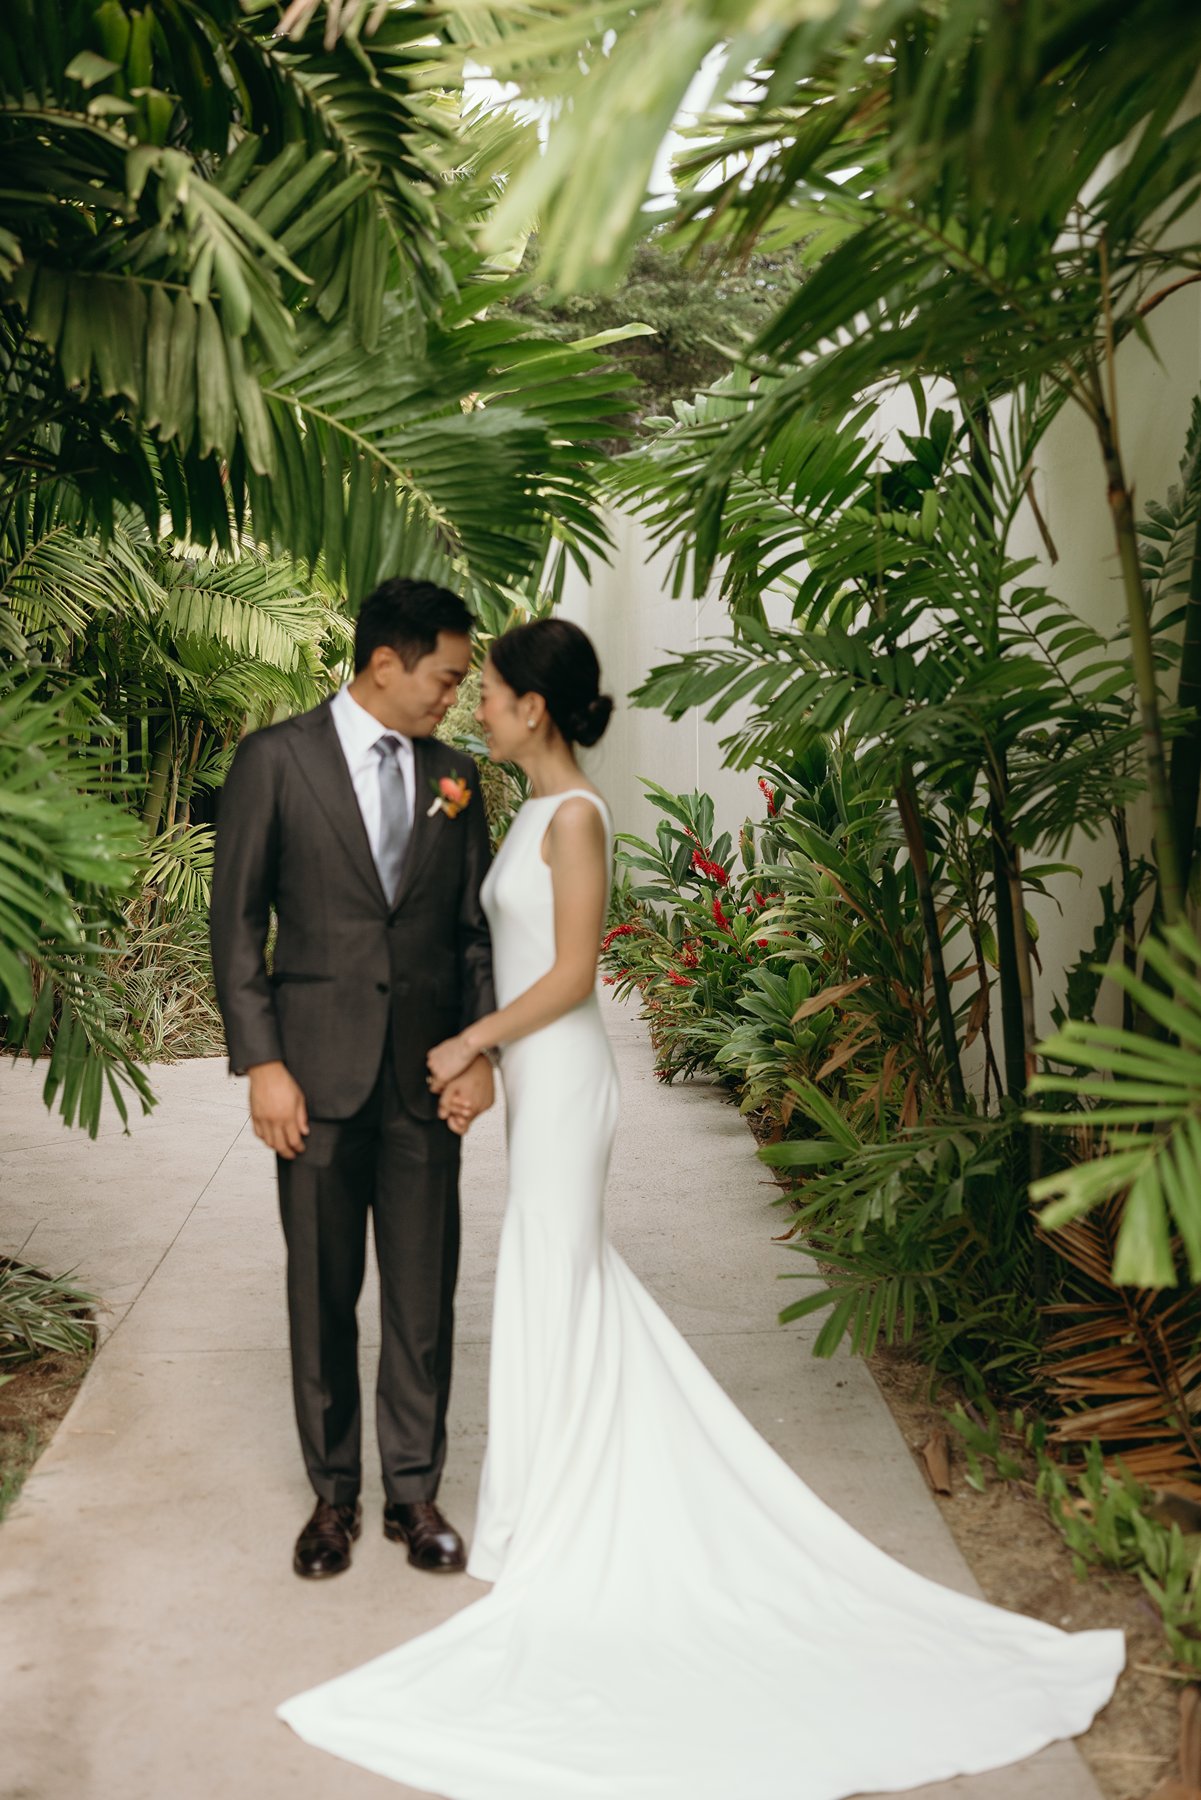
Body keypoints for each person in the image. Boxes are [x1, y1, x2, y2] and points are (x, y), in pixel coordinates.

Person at [277, 618, 1125, 1799]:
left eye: (496, 694)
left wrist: (471, 1039)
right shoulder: (518, 807)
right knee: (555, 1279)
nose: (477, 707)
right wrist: (484, 1056)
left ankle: (552, 1520)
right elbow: (492, 944)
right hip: (535, 1079)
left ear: (539, 709)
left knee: (551, 1270)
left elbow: (571, 976)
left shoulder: (574, 818)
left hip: (567, 1081)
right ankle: (541, 1504)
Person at [210, 578, 496, 1583]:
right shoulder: (274, 762)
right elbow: (237, 924)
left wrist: (478, 1054)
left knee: (422, 1294)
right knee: (322, 1294)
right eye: (445, 677)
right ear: (386, 664)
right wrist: (264, 1064)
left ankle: (413, 1495)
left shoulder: (457, 776)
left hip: (426, 1083)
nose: (453, 698)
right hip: (314, 1082)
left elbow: (470, 933)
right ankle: (332, 1499)